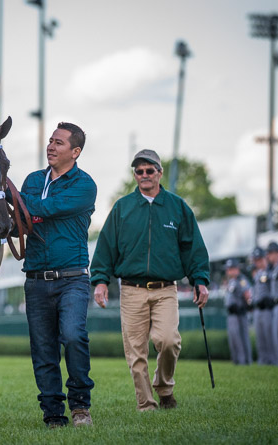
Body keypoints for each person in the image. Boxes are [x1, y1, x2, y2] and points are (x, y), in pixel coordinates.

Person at [91, 149, 210, 411]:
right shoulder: (122, 208)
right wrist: (100, 281)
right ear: (135, 175)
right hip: (131, 290)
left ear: (159, 172)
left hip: (166, 289)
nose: (144, 175)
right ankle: (146, 405)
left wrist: (200, 279)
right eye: (139, 171)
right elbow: (106, 247)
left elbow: (193, 248)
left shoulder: (178, 207)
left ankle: (164, 386)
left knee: (169, 340)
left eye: (149, 170)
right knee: (136, 352)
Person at [18, 122, 96, 428]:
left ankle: (80, 407)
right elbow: (20, 223)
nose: (51, 146)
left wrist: (14, 199)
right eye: (50, 140)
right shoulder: (33, 180)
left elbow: (46, 209)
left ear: (75, 152)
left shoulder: (84, 185)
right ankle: (53, 414)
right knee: (43, 350)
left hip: (73, 278)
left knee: (74, 337)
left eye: (59, 143)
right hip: (35, 278)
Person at [251, 247, 277, 365]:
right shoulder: (258, 274)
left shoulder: (271, 272)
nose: (258, 262)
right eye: (256, 260)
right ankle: (263, 360)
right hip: (258, 309)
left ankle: (272, 360)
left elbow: (275, 290)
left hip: (267, 309)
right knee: (260, 337)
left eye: (259, 259)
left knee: (269, 336)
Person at [224, 259, 252, 365]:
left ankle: (245, 361)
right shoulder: (231, 281)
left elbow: (248, 295)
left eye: (232, 269)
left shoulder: (241, 280)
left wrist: (247, 306)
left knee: (242, 338)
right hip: (231, 313)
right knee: (234, 338)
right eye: (228, 269)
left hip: (239, 313)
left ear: (237, 269)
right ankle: (236, 360)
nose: (230, 271)